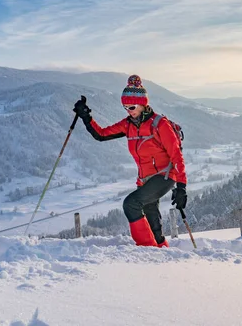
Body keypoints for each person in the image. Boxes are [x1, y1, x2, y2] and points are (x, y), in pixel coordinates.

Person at [73, 75, 187, 248]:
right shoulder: (128, 125)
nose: (128, 110)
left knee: (131, 204)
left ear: (142, 104)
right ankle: (161, 249)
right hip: (144, 179)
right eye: (125, 107)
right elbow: (102, 135)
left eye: (131, 106)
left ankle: (146, 249)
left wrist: (181, 187)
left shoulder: (159, 124)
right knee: (150, 215)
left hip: (164, 176)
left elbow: (176, 155)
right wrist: (86, 117)